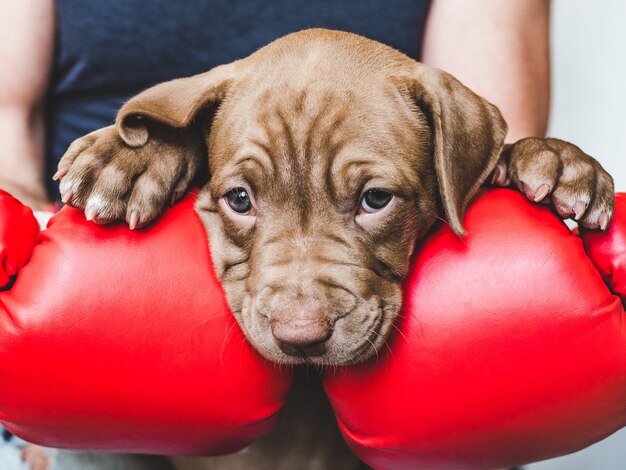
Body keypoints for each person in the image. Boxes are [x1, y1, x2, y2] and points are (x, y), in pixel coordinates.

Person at [0, 0, 550, 468]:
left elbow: (492, 184)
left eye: (373, 197)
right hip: (97, 305)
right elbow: (6, 141)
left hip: (403, 371)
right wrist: (33, 334)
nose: (301, 323)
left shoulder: (437, 119)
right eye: (240, 198)